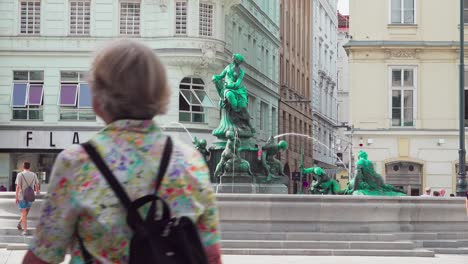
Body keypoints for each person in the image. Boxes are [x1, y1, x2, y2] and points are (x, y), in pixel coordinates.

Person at [23, 40, 222, 264]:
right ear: (160, 94)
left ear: (98, 100)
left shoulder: (76, 163)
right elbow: (211, 255)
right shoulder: (190, 160)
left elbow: (43, 256)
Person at [15, 161, 40, 236]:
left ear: (23, 167)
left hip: (22, 196)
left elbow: (18, 186)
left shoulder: (20, 174)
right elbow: (37, 184)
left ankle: (25, 231)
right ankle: (19, 223)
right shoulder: (34, 174)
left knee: (24, 214)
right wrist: (37, 191)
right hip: (30, 197)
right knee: (25, 214)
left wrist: (16, 197)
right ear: (29, 167)